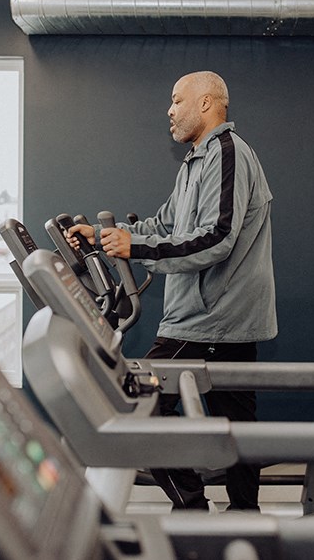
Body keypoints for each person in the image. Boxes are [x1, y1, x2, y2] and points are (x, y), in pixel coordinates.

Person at [66, 70, 277, 511]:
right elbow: (163, 226)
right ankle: (244, 515)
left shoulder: (227, 152)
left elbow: (217, 237)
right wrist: (107, 238)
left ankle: (192, 508)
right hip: (213, 318)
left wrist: (135, 245)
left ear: (206, 103)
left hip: (208, 321)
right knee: (236, 423)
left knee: (141, 405)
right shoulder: (196, 161)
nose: (170, 109)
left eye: (177, 100)